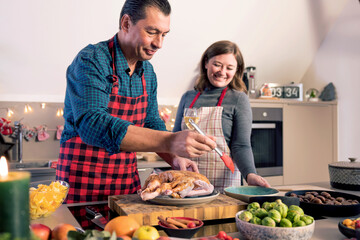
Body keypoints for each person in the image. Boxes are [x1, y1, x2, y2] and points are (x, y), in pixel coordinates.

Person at [56, 0, 216, 203]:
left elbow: (151, 123)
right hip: (83, 187)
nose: (159, 43)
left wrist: (173, 156)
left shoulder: (148, 73)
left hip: (127, 189)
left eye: (164, 34)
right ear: (126, 23)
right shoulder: (92, 60)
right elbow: (92, 124)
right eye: (152, 32)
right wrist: (171, 141)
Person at [173, 40, 270, 191]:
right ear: (206, 63)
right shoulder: (188, 97)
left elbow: (241, 145)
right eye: (217, 64)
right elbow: (175, 138)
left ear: (236, 70)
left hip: (224, 186)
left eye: (229, 68)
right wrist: (176, 159)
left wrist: (250, 174)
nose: (222, 72)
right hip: (187, 183)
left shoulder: (238, 99)